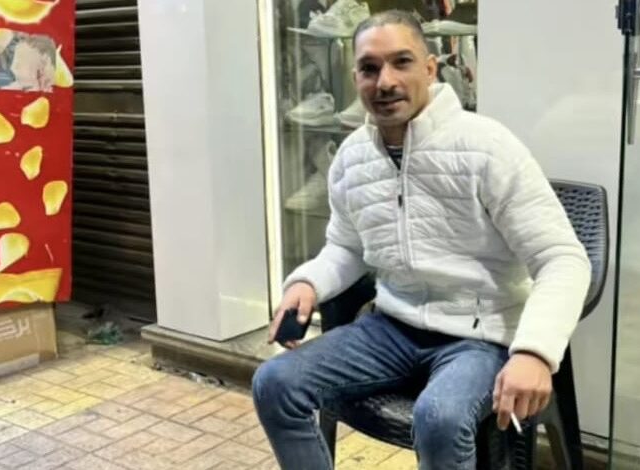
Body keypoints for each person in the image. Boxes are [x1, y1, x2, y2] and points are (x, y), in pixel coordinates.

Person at [253, 9, 591, 470]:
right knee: (274, 384)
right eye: (369, 68)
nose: (385, 81)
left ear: (430, 69)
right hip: (391, 327)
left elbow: (562, 259)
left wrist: (535, 352)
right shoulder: (352, 158)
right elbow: (346, 247)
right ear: (355, 78)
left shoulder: (487, 147)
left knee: (440, 418)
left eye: (402, 62)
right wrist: (308, 282)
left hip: (481, 334)